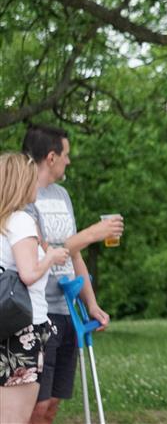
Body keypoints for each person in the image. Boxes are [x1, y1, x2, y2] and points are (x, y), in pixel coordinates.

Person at [21, 125, 123, 424]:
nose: (69, 161)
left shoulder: (62, 195)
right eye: (65, 154)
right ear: (51, 157)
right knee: (36, 405)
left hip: (68, 309)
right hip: (38, 312)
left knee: (53, 403)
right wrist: (91, 234)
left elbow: (74, 253)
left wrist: (91, 304)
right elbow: (41, 252)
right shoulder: (23, 197)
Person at [0, 153, 68, 424]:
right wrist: (50, 257)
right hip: (23, 330)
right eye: (32, 179)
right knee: (13, 418)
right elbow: (28, 274)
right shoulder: (20, 221)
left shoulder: (3, 222)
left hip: (4, 327)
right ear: (21, 183)